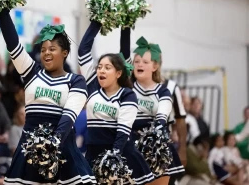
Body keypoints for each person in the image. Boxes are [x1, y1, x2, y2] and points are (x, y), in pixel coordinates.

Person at [0, 8, 96, 184]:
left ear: (64, 53)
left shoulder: (76, 80)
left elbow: (69, 115)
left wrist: (53, 143)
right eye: (43, 50)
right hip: (29, 149)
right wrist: (2, 12)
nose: (46, 53)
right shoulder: (32, 72)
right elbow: (13, 46)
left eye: (52, 49)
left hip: (62, 147)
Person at [78, 20, 154, 184]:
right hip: (92, 154)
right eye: (99, 67)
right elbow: (83, 51)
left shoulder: (127, 95)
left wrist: (113, 159)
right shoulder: (93, 85)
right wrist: (96, 21)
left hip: (119, 156)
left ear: (118, 73)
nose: (101, 70)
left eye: (107, 67)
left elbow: (123, 131)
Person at [119, 31, 185, 184]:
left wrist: (158, 129)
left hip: (155, 146)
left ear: (155, 66)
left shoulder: (163, 91)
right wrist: (126, 26)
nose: (139, 64)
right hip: (129, 146)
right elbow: (123, 51)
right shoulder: (127, 88)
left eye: (145, 62)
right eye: (136, 61)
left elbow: (163, 114)